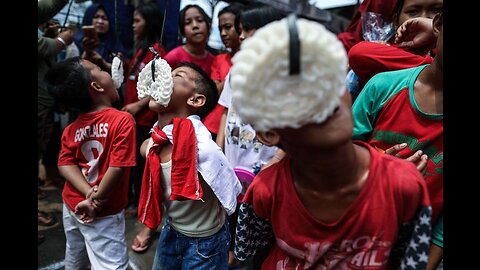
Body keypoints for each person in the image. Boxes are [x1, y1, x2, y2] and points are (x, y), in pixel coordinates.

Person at [230, 15, 432, 269]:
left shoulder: (404, 186)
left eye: (327, 79)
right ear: (268, 132)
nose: (324, 98)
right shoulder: (264, 193)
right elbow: (249, 253)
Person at [134, 56, 242, 269]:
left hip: (206, 243)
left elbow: (229, 193)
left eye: (177, 76)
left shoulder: (204, 150)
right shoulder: (154, 141)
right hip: (172, 230)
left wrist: (231, 246)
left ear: (195, 100)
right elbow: (146, 148)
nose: (166, 77)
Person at [44, 56, 136, 270]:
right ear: (96, 86)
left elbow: (65, 165)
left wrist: (88, 193)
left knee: (76, 258)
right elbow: (118, 166)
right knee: (111, 265)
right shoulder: (122, 120)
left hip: (73, 203)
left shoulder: (71, 129)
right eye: (100, 70)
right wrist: (95, 200)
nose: (107, 71)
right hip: (102, 211)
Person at [352, 12, 443, 226]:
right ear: (439, 25)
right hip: (357, 221)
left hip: (416, 244)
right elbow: (337, 160)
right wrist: (378, 169)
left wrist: (426, 261)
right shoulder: (383, 86)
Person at [214, 4, 286, 268]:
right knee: (231, 215)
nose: (240, 36)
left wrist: (277, 158)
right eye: (240, 30)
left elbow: (295, 125)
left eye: (247, 30)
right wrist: (219, 149)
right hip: (234, 160)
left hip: (266, 166)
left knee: (260, 227)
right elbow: (226, 111)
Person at [120, 2, 167, 226]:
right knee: (130, 161)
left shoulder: (157, 51)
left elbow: (160, 85)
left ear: (149, 23)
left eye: (137, 20)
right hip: (132, 116)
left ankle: (138, 202)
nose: (133, 25)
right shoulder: (140, 50)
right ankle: (130, 198)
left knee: (140, 164)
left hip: (144, 118)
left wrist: (139, 106)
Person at [347, 0, 442, 97]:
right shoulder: (383, 53)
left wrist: (435, 27)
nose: (423, 18)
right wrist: (433, 66)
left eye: (436, 10)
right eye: (413, 12)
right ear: (395, 21)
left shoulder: (438, 53)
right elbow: (358, 53)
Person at [202, 2, 245, 143]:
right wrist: (230, 75)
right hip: (212, 126)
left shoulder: (253, 62)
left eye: (228, 27)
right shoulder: (219, 60)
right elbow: (213, 92)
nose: (223, 34)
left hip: (238, 132)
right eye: (220, 29)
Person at [164, 4, 215, 75]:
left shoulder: (213, 60)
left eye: (199, 20)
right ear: (182, 31)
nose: (195, 25)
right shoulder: (173, 57)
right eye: (188, 22)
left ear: (208, 25)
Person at [75, 3, 126, 72]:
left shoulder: (115, 43)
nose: (100, 21)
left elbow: (120, 70)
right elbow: (73, 70)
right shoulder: (76, 41)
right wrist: (87, 53)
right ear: (89, 18)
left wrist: (103, 63)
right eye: (96, 17)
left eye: (104, 18)